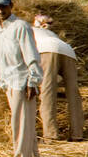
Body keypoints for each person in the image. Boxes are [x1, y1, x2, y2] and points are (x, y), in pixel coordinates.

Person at [0, 0, 44, 157]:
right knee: (24, 124)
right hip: (7, 81)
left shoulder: (21, 27)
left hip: (22, 81)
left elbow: (31, 55)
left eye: (3, 6)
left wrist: (33, 81)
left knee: (20, 123)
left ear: (11, 5)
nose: (0, 10)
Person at [31, 13, 84, 142]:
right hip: (68, 52)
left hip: (46, 51)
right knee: (73, 94)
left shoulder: (30, 30)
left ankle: (51, 135)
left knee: (47, 92)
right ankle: (77, 134)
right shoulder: (53, 34)